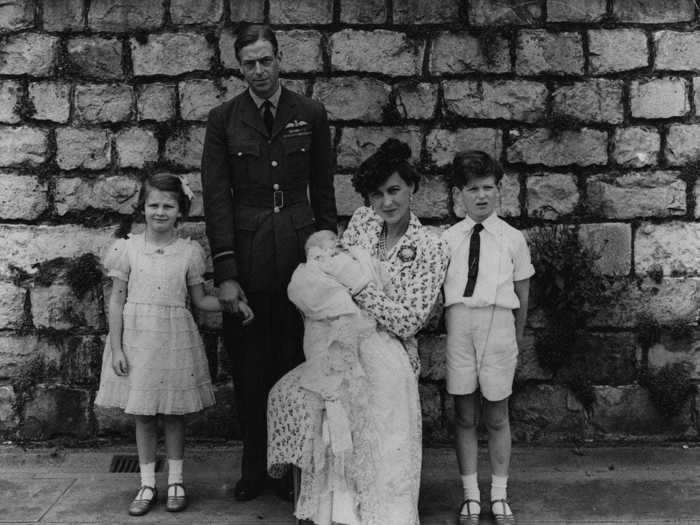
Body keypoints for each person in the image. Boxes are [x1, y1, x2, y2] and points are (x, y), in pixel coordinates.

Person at [267, 138, 449, 524]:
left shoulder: (430, 246)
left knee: (379, 449)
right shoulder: (364, 222)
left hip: (392, 351)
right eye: (377, 194)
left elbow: (408, 321)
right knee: (312, 407)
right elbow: (330, 273)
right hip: (342, 343)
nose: (386, 203)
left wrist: (360, 289)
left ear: (412, 187)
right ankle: (340, 512)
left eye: (394, 190)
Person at [200, 23, 337, 501]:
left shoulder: (311, 113)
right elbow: (217, 200)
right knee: (250, 366)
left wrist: (327, 258)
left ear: (280, 59)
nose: (258, 71)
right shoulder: (224, 120)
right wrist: (227, 274)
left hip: (299, 258)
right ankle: (254, 468)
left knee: (296, 360)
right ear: (239, 67)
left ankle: (289, 467)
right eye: (249, 64)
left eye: (266, 60)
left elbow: (322, 192)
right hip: (249, 254)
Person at [95, 173, 253, 516]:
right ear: (143, 208)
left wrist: (233, 303)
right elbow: (116, 300)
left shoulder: (189, 252)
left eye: (169, 206)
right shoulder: (128, 249)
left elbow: (200, 299)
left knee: (173, 414)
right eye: (153, 205)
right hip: (138, 341)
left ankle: (177, 480)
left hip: (174, 338)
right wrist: (118, 348)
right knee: (144, 416)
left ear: (180, 211)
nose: (160, 212)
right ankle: (148, 482)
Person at [441, 151, 534, 525]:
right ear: (458, 194)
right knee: (464, 414)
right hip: (460, 324)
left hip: (499, 325)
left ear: (499, 190)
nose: (481, 196)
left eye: (488, 188)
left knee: (497, 414)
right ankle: (470, 496)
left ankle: (498, 494)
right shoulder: (446, 240)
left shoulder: (513, 239)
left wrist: (515, 339)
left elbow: (523, 297)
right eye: (472, 189)